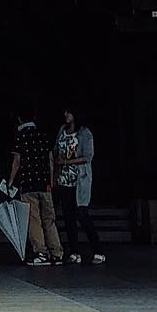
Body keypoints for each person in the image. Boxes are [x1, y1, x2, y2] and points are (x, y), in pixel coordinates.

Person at [9, 105, 62, 266]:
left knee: (34, 220)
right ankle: (57, 253)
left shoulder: (20, 136)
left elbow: (17, 161)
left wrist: (11, 180)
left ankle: (41, 252)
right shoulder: (43, 136)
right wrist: (52, 181)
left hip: (28, 184)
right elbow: (50, 160)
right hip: (45, 184)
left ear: (19, 119)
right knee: (49, 219)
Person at [53, 108, 103, 265]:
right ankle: (74, 251)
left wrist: (67, 162)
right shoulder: (62, 129)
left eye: (69, 113)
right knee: (68, 217)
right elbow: (56, 150)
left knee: (82, 214)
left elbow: (88, 156)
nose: (66, 115)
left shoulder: (85, 133)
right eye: (65, 112)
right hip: (63, 179)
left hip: (79, 179)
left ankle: (98, 249)